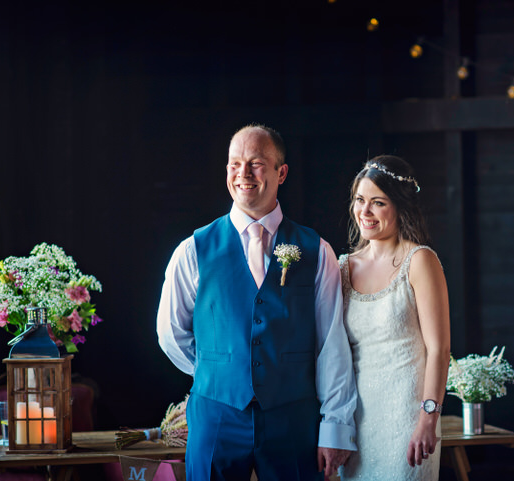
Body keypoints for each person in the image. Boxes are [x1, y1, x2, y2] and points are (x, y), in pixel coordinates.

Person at [156, 124, 358, 481]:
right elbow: (171, 333)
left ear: (281, 173)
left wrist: (335, 427)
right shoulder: (193, 250)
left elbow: (331, 343)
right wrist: (219, 372)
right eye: (235, 164)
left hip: (293, 417)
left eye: (256, 163)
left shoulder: (317, 251)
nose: (243, 174)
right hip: (216, 415)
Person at [338, 155, 451, 480]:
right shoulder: (343, 267)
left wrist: (428, 418)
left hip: (409, 421)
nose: (365, 212)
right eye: (360, 200)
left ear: (400, 206)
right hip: (358, 423)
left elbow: (439, 349)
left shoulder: (420, 261)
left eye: (378, 203)